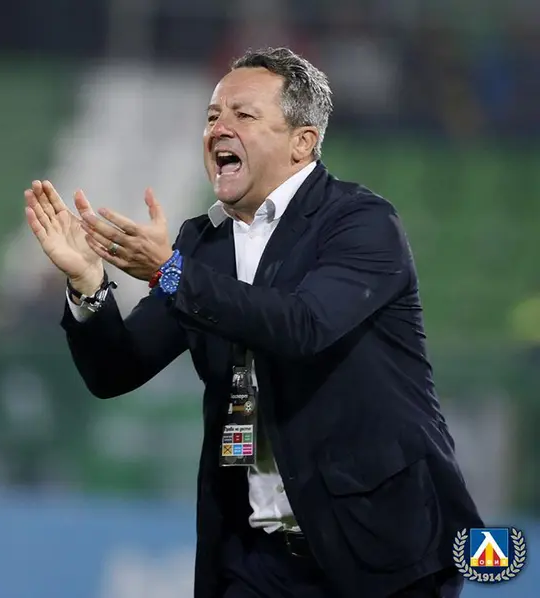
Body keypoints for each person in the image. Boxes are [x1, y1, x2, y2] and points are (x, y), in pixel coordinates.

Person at [24, 47, 483, 598]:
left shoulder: (360, 222)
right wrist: (87, 284)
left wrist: (171, 271)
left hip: (379, 550)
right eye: (213, 115)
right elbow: (116, 370)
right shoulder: (203, 244)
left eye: (243, 115)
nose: (219, 128)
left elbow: (302, 326)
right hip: (256, 562)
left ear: (302, 142)